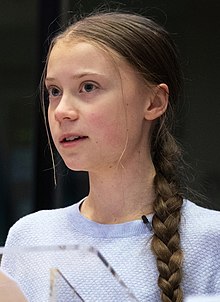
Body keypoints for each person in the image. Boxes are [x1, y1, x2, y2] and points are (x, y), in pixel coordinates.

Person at [1, 10, 220, 302]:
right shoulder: (30, 238)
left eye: (88, 87)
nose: (62, 111)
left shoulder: (211, 240)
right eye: (54, 91)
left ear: (154, 102)